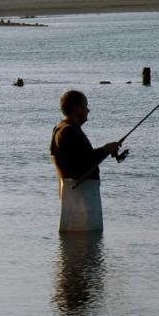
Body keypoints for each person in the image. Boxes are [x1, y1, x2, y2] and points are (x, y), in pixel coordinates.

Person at [50, 90, 121, 233]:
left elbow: (81, 160)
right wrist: (105, 149)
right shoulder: (68, 131)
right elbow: (84, 164)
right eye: (85, 106)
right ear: (77, 108)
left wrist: (105, 151)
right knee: (86, 248)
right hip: (82, 199)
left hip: (73, 196)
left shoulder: (60, 129)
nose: (88, 110)